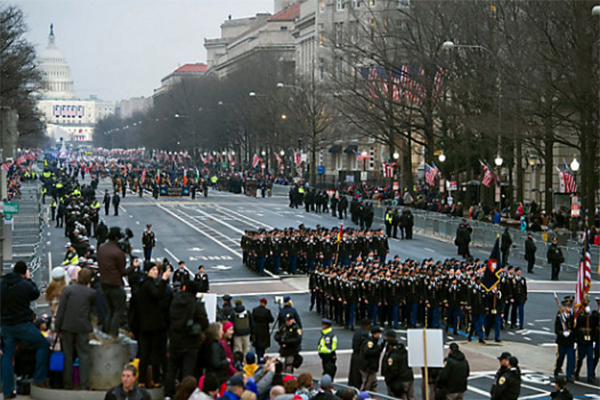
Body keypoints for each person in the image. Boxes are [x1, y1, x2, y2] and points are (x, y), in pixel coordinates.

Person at [1, 261, 50, 398]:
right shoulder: (24, 285)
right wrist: (29, 279)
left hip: (5, 325)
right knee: (43, 344)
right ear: (24, 272)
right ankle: (39, 379)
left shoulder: (2, 284)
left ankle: (7, 391)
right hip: (22, 324)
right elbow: (35, 294)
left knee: (7, 356)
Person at [165, 281, 209, 398]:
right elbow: (204, 322)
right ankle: (185, 394)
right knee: (188, 370)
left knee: (172, 368)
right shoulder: (195, 304)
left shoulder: (175, 301)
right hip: (190, 342)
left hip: (175, 339)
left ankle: (168, 394)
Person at [55, 268, 96, 390]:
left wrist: (58, 327)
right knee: (84, 355)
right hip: (82, 327)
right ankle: (84, 384)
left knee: (68, 355)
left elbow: (61, 309)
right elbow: (92, 311)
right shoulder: (91, 293)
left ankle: (68, 383)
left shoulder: (68, 290)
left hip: (67, 326)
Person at [135, 261, 172, 387]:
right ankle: (155, 380)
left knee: (144, 354)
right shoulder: (149, 285)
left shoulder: (140, 285)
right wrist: (164, 280)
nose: (156, 272)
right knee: (155, 354)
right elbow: (158, 295)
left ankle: (141, 380)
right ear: (148, 271)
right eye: (154, 270)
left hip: (143, 325)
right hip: (154, 325)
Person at [98, 227, 133, 337]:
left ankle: (106, 333)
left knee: (110, 310)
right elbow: (122, 272)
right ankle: (113, 334)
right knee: (118, 310)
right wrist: (133, 266)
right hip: (115, 284)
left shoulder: (101, 247)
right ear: (117, 238)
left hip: (104, 283)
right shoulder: (118, 253)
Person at [381, 334, 414, 400]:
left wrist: (388, 379)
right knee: (411, 397)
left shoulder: (393, 356)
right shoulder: (405, 352)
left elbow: (393, 371)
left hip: (400, 380)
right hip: (409, 377)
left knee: (399, 398)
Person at [554, 296, 575, 382]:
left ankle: (569, 375)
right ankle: (558, 368)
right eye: (567, 307)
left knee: (571, 358)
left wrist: (571, 334)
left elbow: (575, 329)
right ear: (564, 307)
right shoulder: (560, 316)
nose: (569, 308)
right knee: (561, 357)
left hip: (570, 341)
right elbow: (557, 329)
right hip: (562, 341)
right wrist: (562, 333)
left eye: (570, 307)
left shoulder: (573, 317)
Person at [574, 300, 595, 383]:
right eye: (585, 306)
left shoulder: (591, 316)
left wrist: (593, 339)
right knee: (581, 357)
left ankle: (590, 376)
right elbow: (577, 327)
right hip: (582, 340)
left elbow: (593, 327)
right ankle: (577, 371)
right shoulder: (580, 316)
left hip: (589, 340)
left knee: (590, 358)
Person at [359, 326, 383, 391]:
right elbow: (367, 352)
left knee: (373, 384)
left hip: (371, 367)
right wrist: (378, 349)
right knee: (367, 385)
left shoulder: (374, 342)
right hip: (368, 368)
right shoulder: (370, 342)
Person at [348, 318, 371, 388]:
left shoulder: (357, 332)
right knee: (358, 376)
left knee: (353, 374)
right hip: (360, 356)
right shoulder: (365, 334)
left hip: (355, 355)